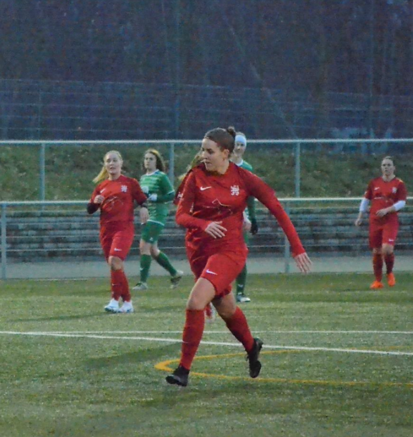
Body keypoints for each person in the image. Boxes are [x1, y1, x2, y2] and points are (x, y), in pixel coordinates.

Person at [166, 127, 312, 387]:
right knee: (226, 307)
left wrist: (297, 246)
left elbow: (277, 208)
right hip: (198, 250)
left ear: (226, 153)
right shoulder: (195, 176)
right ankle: (251, 346)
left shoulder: (243, 178)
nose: (204, 155)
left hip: (229, 251)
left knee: (195, 302)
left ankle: (183, 370)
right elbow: (180, 216)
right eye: (202, 150)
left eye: (210, 151)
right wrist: (202, 224)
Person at [87, 150, 148, 314]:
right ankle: (127, 302)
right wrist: (95, 202)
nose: (111, 163)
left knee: (114, 260)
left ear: (121, 163)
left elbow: (142, 199)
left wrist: (144, 208)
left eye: (114, 160)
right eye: (108, 161)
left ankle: (114, 300)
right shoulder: (101, 187)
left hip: (123, 228)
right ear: (105, 165)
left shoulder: (130, 183)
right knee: (115, 265)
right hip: (106, 230)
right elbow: (90, 209)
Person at [133, 148, 184, 291]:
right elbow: (142, 198)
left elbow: (171, 195)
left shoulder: (161, 176)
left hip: (157, 215)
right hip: (147, 215)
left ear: (156, 162)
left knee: (144, 246)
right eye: (146, 159)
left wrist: (157, 198)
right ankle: (174, 273)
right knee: (153, 250)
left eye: (151, 159)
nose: (148, 161)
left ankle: (143, 282)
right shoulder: (143, 178)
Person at [354, 156, 407, 289]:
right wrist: (360, 216)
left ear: (394, 168)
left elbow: (402, 202)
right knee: (377, 251)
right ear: (381, 168)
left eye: (389, 165)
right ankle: (378, 280)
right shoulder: (374, 182)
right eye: (384, 165)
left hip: (390, 220)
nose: (386, 167)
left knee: (387, 249)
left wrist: (387, 210)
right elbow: (365, 200)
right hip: (375, 220)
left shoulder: (399, 184)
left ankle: (389, 273)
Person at [230, 132, 259, 303]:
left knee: (241, 254)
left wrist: (252, 217)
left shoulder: (247, 168)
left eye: (241, 145)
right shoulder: (223, 165)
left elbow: (250, 196)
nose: (238, 148)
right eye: (236, 144)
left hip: (242, 217)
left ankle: (240, 292)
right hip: (224, 215)